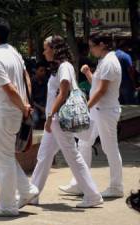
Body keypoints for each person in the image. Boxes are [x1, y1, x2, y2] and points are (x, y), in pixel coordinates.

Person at [30, 35, 103, 208]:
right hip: (55, 120)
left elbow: (63, 93)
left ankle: (92, 195)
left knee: (72, 156)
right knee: (44, 156)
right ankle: (31, 194)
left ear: (55, 49)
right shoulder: (61, 67)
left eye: (46, 47)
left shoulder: (64, 67)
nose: (44, 51)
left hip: (58, 119)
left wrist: (49, 117)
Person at [0, 17, 39, 217]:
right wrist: (26, 104)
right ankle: (27, 190)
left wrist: (23, 106)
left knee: (2, 159)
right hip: (15, 111)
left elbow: (9, 88)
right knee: (4, 155)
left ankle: (7, 205)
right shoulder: (14, 52)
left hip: (6, 112)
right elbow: (26, 79)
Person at [60, 32, 124, 198]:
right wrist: (88, 73)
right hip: (98, 111)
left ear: (102, 44)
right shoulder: (104, 61)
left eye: (92, 46)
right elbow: (98, 85)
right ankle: (80, 183)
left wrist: (85, 108)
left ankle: (116, 187)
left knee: (110, 148)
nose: (90, 50)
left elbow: (102, 91)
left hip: (105, 111)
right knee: (83, 143)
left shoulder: (110, 62)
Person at [31, 61, 48, 128]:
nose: (43, 72)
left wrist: (46, 106)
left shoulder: (46, 81)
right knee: (35, 119)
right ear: (36, 71)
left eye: (44, 71)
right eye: (41, 71)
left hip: (44, 105)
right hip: (35, 105)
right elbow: (31, 99)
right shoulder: (31, 82)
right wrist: (41, 108)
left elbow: (47, 95)